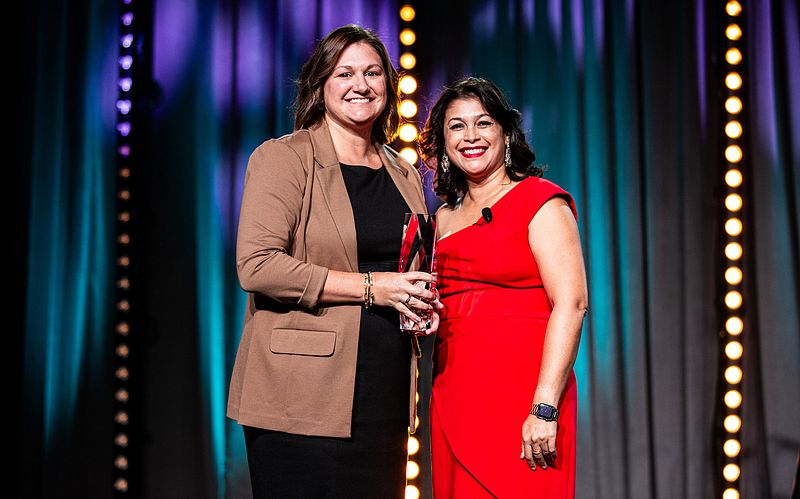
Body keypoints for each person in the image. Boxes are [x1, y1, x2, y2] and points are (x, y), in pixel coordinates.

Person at [227, 25, 439, 498]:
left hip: (383, 394)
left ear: (388, 83)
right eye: (344, 73)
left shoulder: (402, 171)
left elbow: (405, 269)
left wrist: (418, 305)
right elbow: (258, 266)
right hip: (299, 394)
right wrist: (371, 287)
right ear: (320, 85)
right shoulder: (284, 158)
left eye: (372, 72)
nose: (360, 85)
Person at [419, 77, 588, 498]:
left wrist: (544, 407)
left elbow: (572, 303)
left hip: (526, 399)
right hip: (456, 393)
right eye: (456, 126)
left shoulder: (540, 201)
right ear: (442, 142)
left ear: (506, 134)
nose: (471, 137)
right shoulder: (439, 219)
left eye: (483, 123)